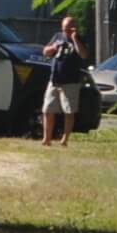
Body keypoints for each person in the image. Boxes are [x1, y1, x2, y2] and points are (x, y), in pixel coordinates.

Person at [40, 14, 87, 147]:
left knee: (69, 111)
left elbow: (83, 55)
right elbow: (45, 51)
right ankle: (46, 138)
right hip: (54, 79)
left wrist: (74, 39)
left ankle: (65, 139)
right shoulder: (57, 37)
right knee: (48, 110)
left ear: (74, 28)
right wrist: (53, 48)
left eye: (68, 28)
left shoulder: (79, 38)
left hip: (71, 81)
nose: (65, 31)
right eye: (64, 28)